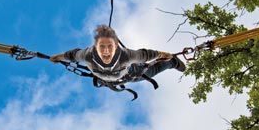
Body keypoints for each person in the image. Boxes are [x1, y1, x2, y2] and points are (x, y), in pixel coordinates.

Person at [50, 25, 185, 84]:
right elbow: (73, 55)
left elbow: (147, 54)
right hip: (112, 79)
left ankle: (173, 62)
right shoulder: (87, 55)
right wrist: (58, 57)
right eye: (102, 47)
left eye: (110, 47)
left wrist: (165, 55)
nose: (106, 51)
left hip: (131, 72)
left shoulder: (127, 55)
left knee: (151, 70)